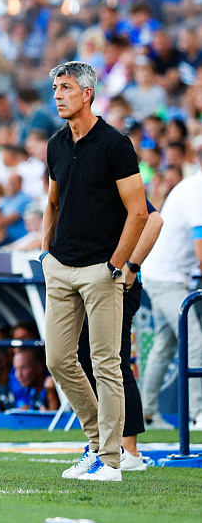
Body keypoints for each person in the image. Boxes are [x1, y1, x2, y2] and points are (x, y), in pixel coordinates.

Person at [40, 61, 148, 482]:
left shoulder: (115, 144)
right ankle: (95, 444)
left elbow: (139, 212)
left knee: (107, 363)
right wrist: (45, 253)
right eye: (54, 89)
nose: (58, 95)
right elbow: (52, 202)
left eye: (65, 88)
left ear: (87, 93)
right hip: (61, 267)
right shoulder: (56, 144)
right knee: (58, 358)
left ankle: (112, 460)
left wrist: (116, 266)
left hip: (101, 269)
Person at [77, 201, 163, 470]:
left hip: (116, 283)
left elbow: (154, 221)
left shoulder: (116, 177)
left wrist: (132, 265)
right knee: (85, 358)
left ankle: (130, 450)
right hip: (90, 281)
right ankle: (104, 442)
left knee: (113, 363)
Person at [139, 148, 202, 431]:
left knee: (165, 343)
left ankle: (147, 414)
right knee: (195, 341)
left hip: (164, 273)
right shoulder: (197, 189)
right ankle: (198, 414)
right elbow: (201, 249)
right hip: (165, 276)